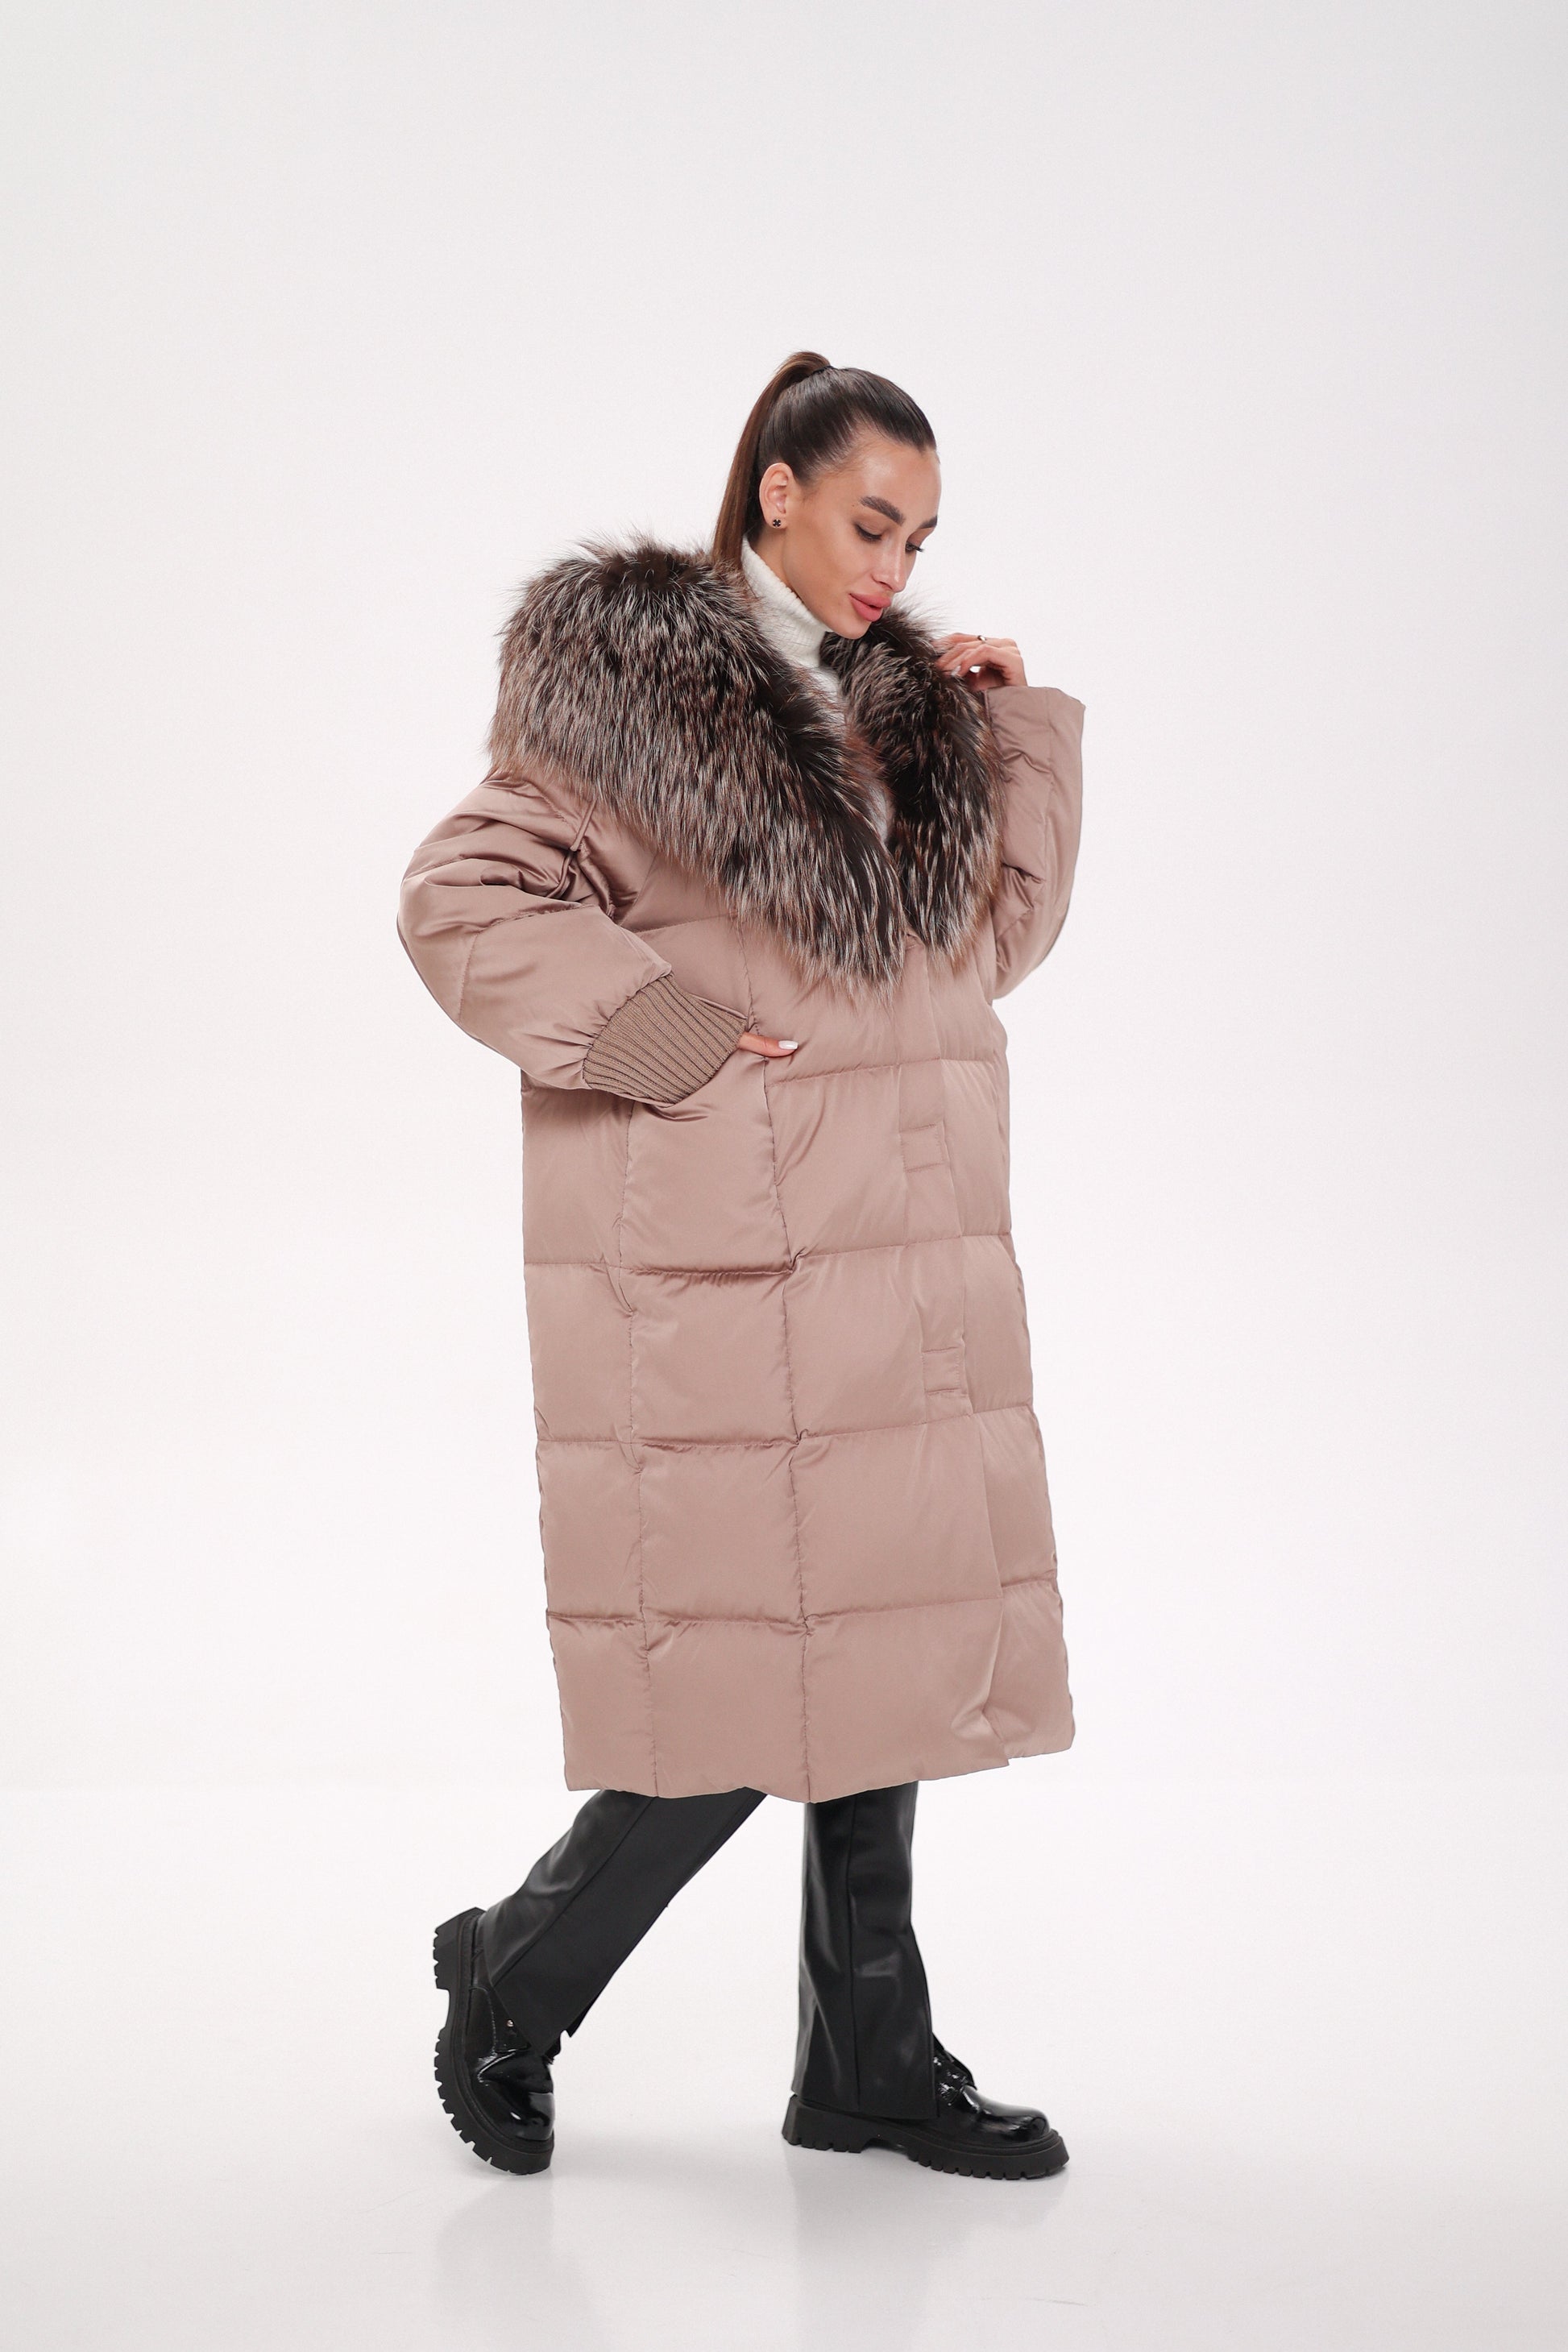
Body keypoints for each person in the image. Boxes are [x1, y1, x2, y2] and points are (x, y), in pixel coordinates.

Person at [397, 352, 1085, 2182]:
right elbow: (460, 899)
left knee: (881, 1662)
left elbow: (991, 952)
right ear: (776, 492)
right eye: (870, 522)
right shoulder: (627, 700)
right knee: (730, 1691)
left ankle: (868, 2056)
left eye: (919, 538)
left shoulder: (900, 712)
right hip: (726, 1270)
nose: (893, 565)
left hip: (895, 1259)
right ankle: (513, 1973)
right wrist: (664, 1036)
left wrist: (1009, 736)